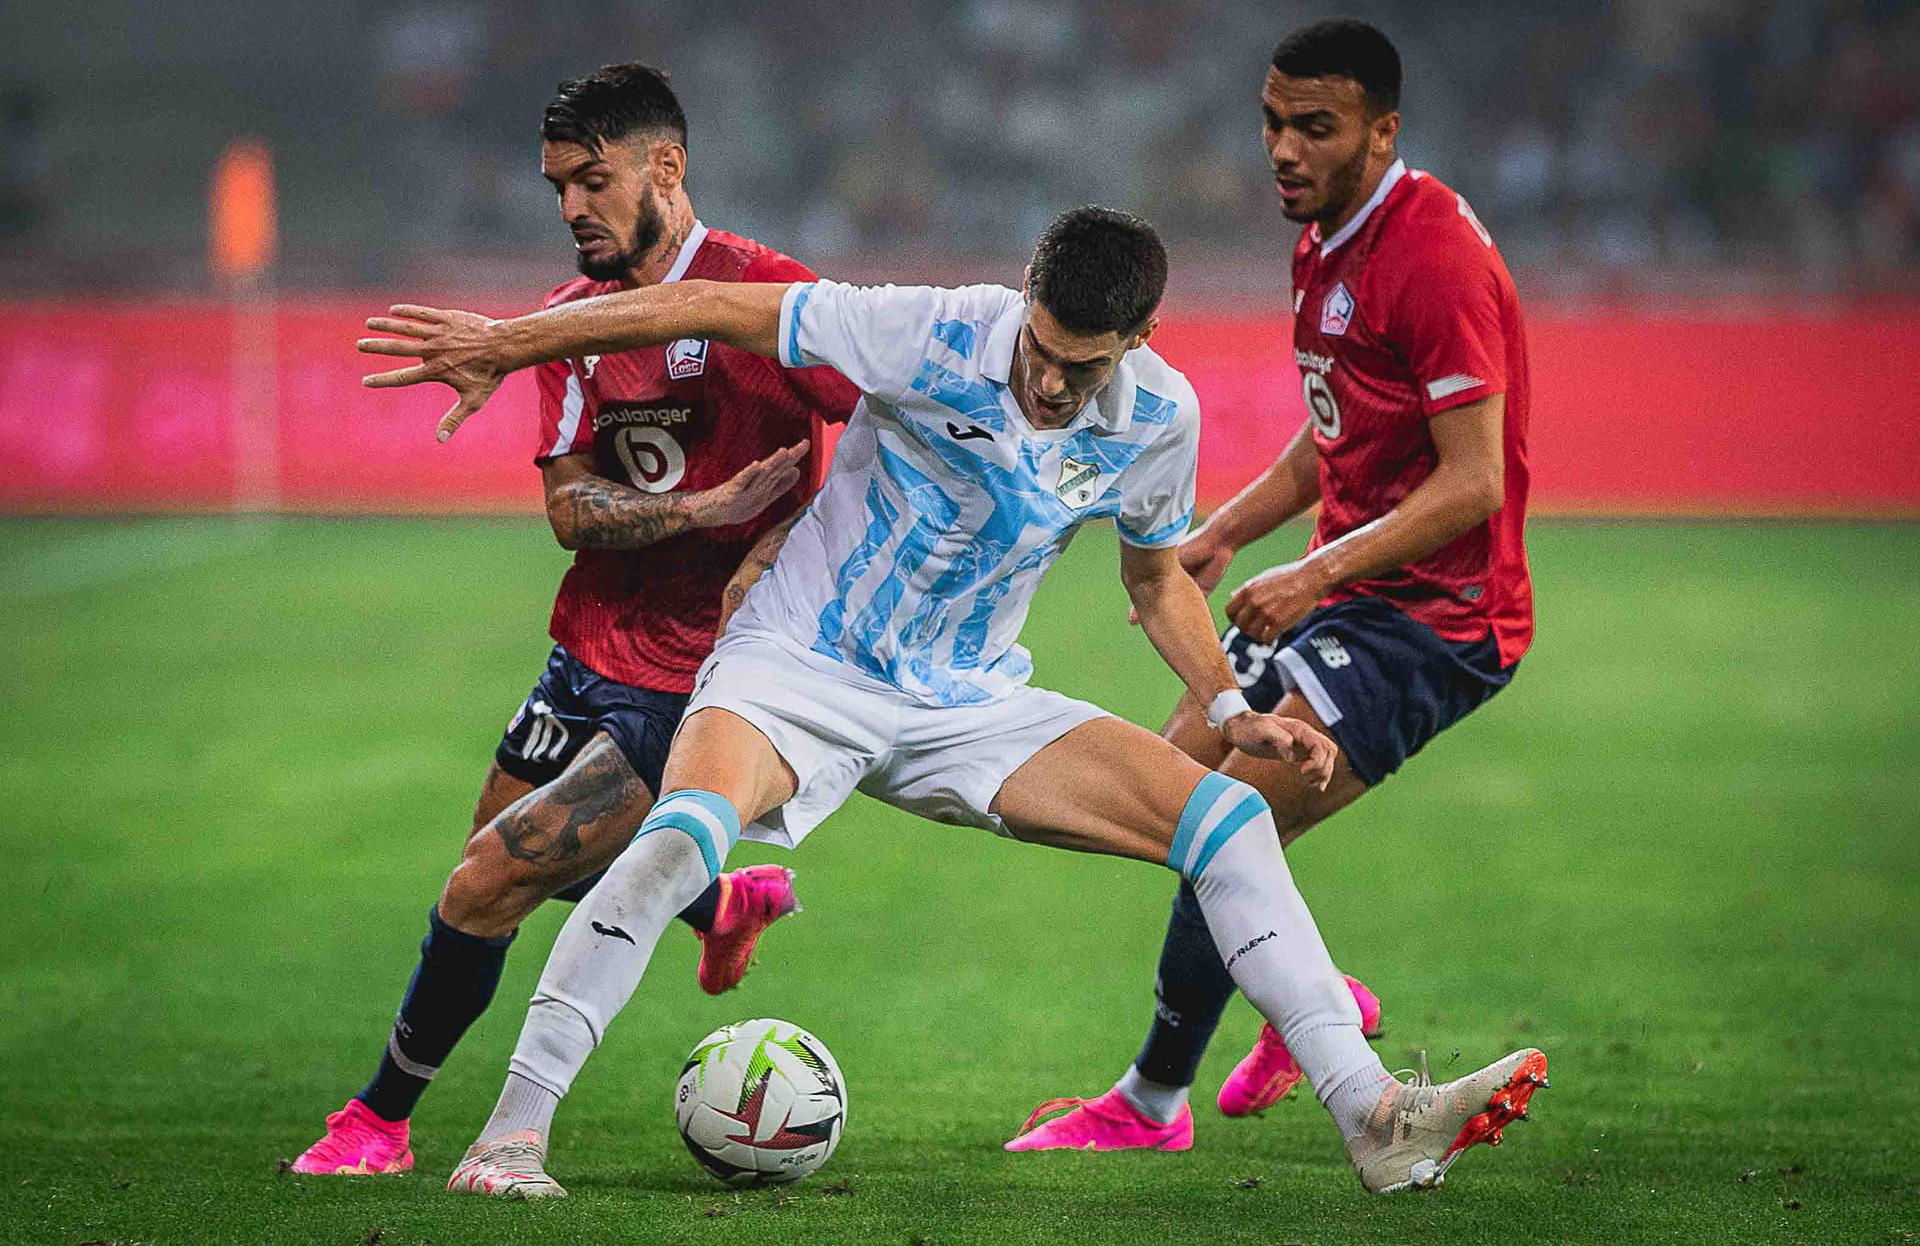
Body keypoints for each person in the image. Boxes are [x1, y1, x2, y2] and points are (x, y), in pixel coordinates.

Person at [358, 204, 1547, 1199]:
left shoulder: (1157, 419)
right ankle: (510, 1135)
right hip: (797, 667)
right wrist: (514, 341)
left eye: (1082, 363)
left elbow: (1151, 578)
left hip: (965, 699)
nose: (1047, 376)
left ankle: (1374, 1116)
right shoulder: (925, 330)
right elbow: (708, 307)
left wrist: (1229, 703)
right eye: (1040, 343)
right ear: (1023, 294)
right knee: (681, 838)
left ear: (1137, 339)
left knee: (1226, 821)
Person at [290, 63, 861, 1177]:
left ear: (667, 166)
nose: (570, 210)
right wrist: (699, 506)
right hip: (591, 647)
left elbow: (884, 434)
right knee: (490, 869)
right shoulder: (569, 326)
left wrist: (786, 542)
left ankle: (380, 1121)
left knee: (486, 882)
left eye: (592, 182)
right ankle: (722, 900)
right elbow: (570, 510)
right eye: (557, 187)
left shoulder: (769, 295)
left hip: (707, 680)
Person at [1005, 18, 1537, 1155]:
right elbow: (1341, 432)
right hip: (1354, 586)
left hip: (1438, 619)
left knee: (1220, 814)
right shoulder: (1329, 238)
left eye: (1316, 126)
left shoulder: (1431, 256)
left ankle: (1153, 1101)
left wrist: (1312, 572)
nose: (1283, 148)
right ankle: (1316, 1000)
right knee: (1175, 779)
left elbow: (1476, 480)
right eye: (1272, 121)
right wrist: (1223, 536)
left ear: (1382, 130)